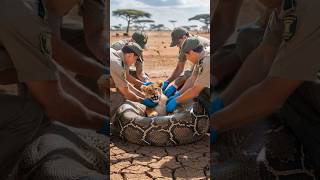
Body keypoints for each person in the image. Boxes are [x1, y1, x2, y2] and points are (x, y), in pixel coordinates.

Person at [0, 0, 109, 179]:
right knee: (31, 112)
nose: (75, 7)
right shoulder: (26, 17)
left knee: (22, 66)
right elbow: (55, 102)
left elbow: (50, 72)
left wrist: (103, 109)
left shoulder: (29, 6)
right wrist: (103, 124)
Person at [211, 0, 320, 174]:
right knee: (249, 38)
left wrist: (214, 123)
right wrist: (220, 104)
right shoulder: (283, 7)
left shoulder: (310, 7)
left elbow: (273, 95)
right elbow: (263, 58)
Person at [163, 27, 210, 98]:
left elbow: (194, 76)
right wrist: (168, 82)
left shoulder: (197, 44)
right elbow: (179, 68)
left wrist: (178, 98)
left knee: (198, 86)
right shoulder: (184, 46)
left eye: (178, 42)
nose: (178, 46)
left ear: (184, 37)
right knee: (186, 76)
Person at [166, 37, 210, 113]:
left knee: (202, 93)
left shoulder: (207, 61)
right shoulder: (201, 57)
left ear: (191, 52)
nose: (187, 58)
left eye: (186, 55)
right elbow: (192, 79)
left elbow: (196, 90)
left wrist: (177, 100)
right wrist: (178, 94)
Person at [110, 42, 157, 107]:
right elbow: (126, 93)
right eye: (135, 59)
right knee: (119, 99)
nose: (134, 62)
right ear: (131, 55)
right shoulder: (116, 64)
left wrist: (144, 96)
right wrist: (143, 101)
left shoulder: (115, 53)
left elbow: (126, 84)